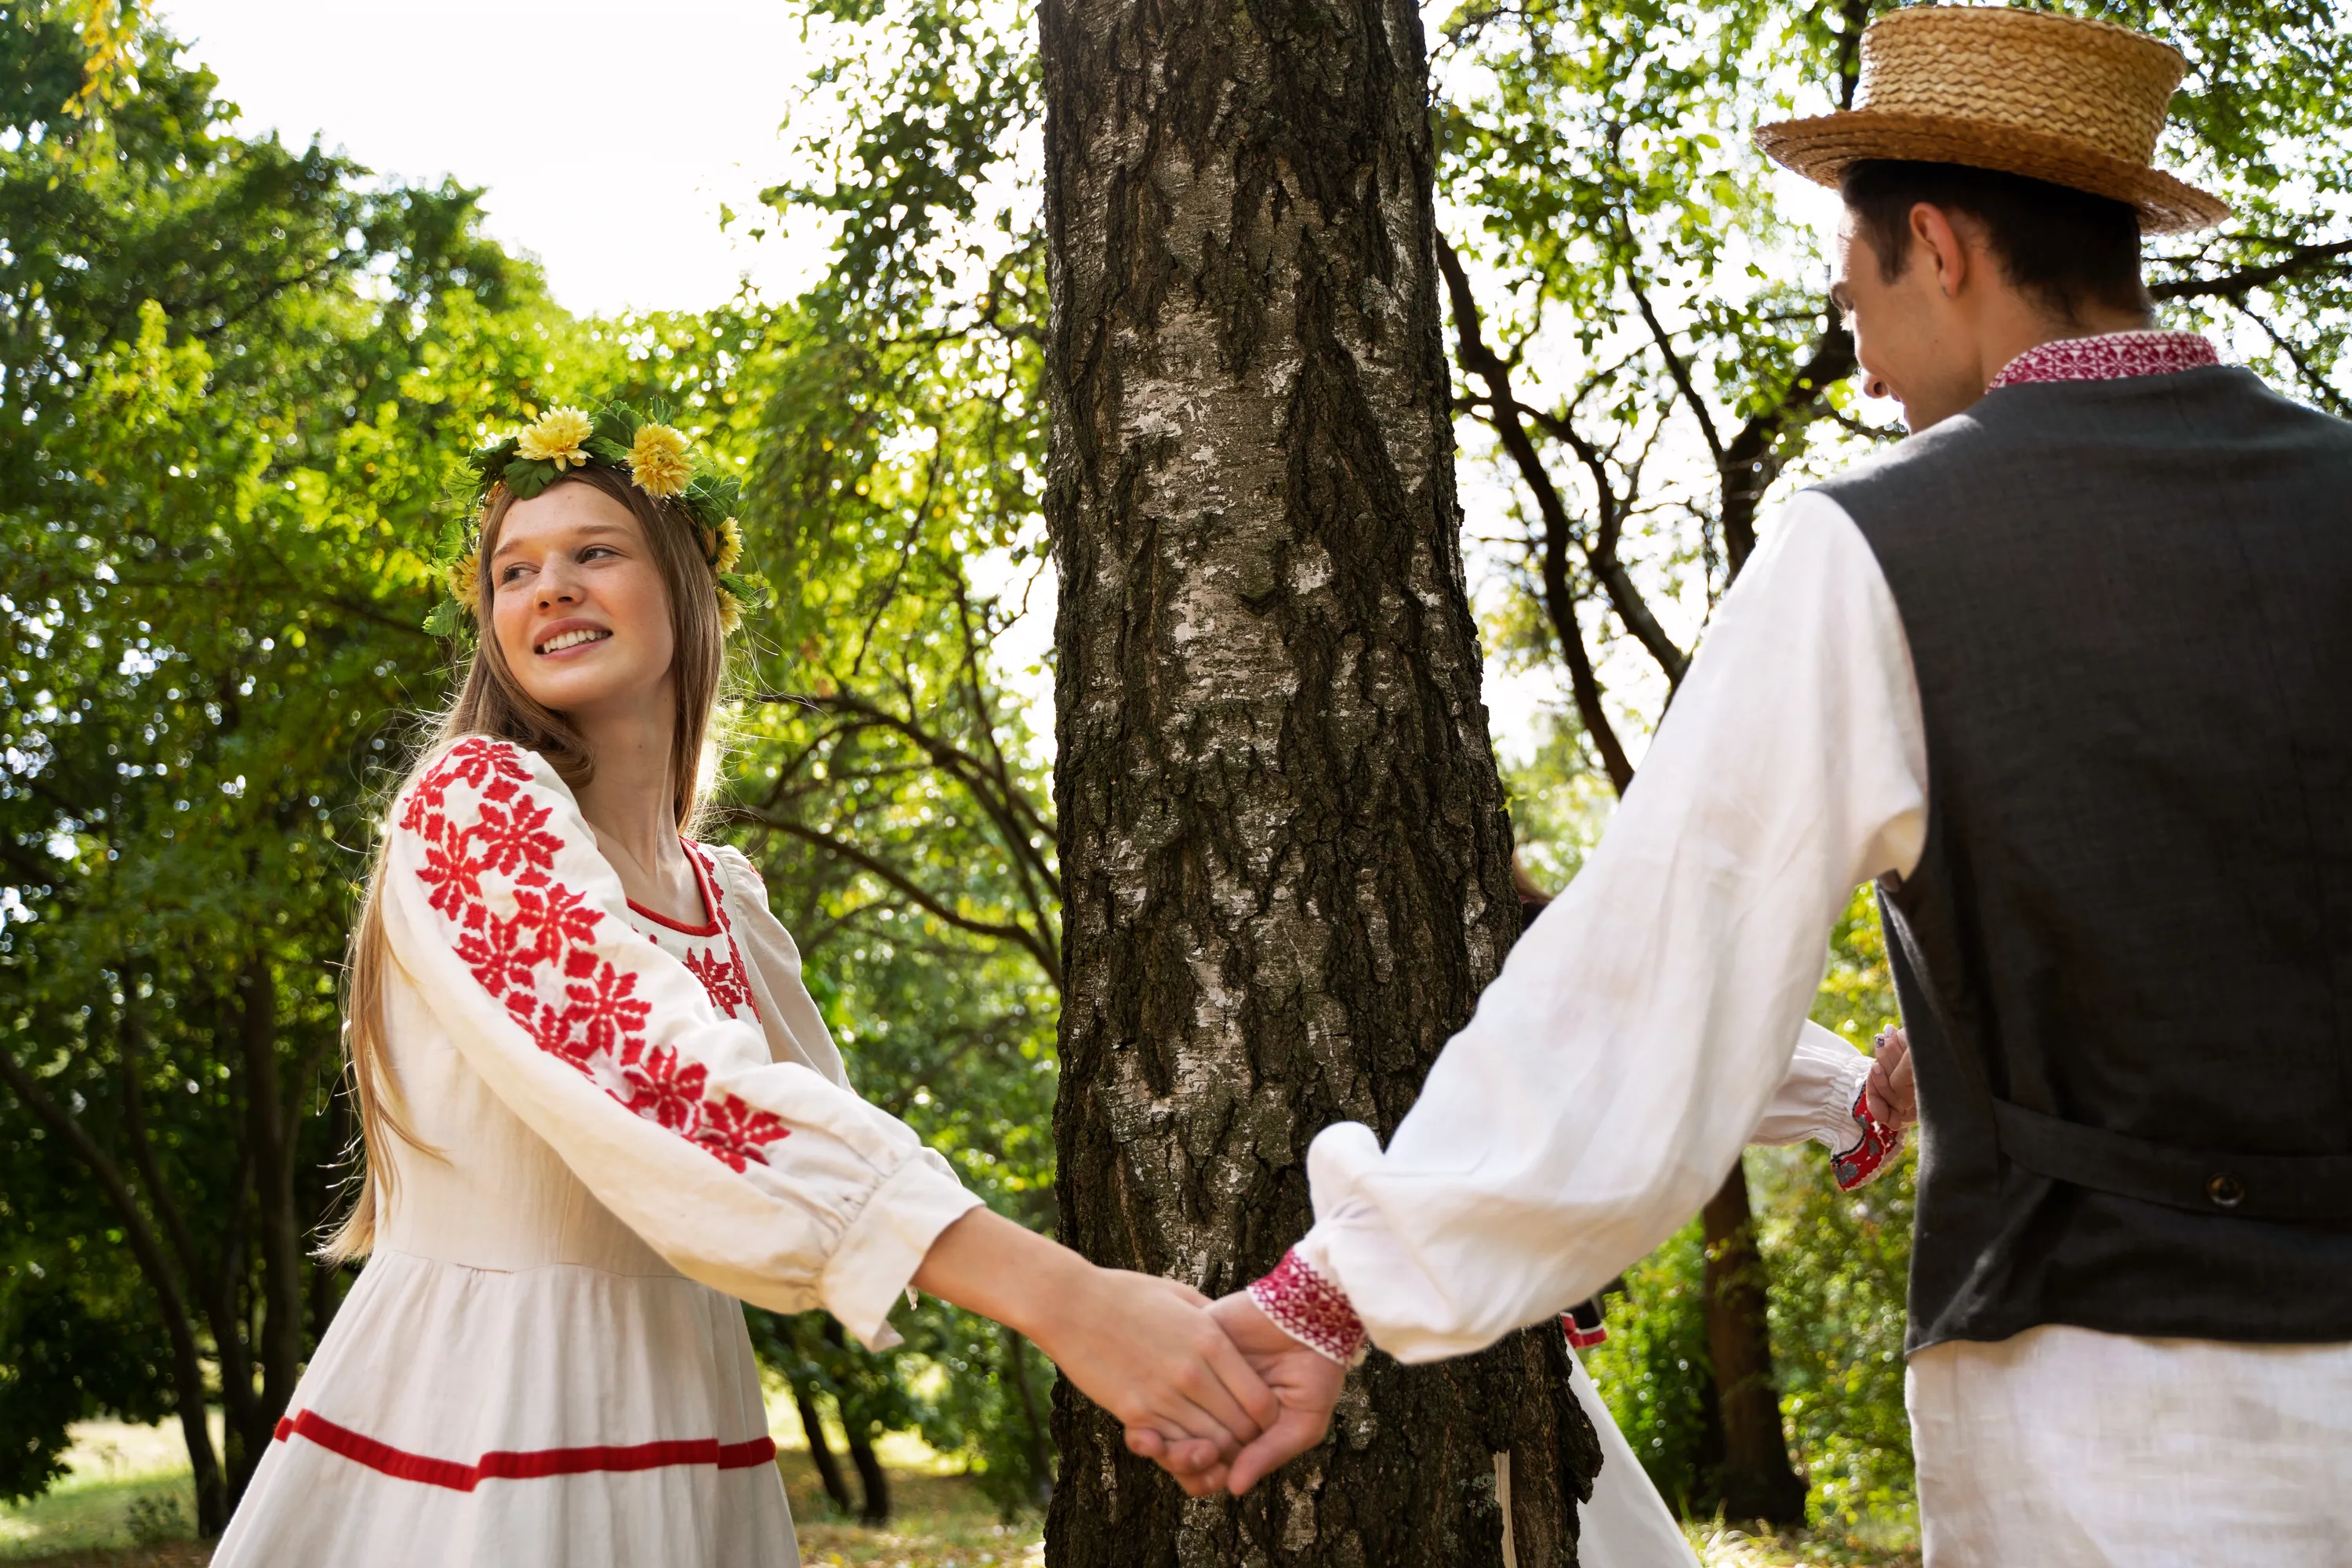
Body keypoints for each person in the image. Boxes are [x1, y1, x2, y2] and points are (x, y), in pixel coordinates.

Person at [1139, 9, 2352, 1563]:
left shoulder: (1881, 549)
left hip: (2114, 1418)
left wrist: (1336, 1295)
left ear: (1936, 243)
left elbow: (1653, 975)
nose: (1858, 347)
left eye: (1858, 291)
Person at [210, 405, 1271, 1566]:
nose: (550, 586)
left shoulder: (724, 897)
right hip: (489, 1411)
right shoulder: (472, 804)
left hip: (687, 1410)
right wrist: (1066, 1301)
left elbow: (810, 1139)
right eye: (514, 571)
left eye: (594, 552)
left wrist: (1129, 1332)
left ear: (690, 593)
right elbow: (666, 1077)